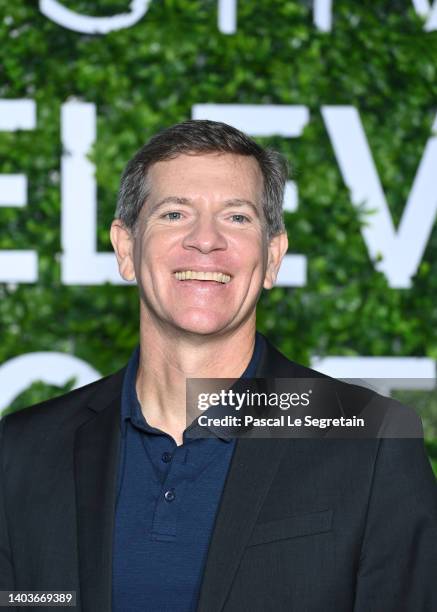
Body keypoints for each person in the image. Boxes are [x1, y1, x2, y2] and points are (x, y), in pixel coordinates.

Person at [0, 120, 436, 612]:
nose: (205, 240)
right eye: (174, 213)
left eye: (237, 218)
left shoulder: (371, 441)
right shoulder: (23, 450)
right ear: (126, 249)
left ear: (272, 258)